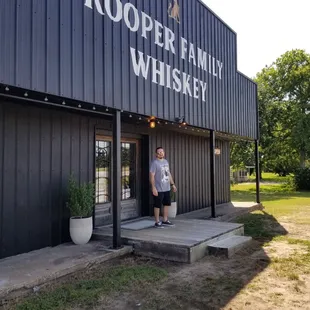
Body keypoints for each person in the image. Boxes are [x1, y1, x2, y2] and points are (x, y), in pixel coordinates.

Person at [149, 147, 177, 228]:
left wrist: (172, 184)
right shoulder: (155, 163)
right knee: (157, 205)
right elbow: (152, 176)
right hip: (158, 188)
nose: (161, 153)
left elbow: (168, 173)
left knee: (166, 204)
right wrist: (153, 188)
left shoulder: (166, 162)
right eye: (159, 152)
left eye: (162, 151)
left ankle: (165, 220)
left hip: (167, 188)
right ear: (156, 154)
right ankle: (157, 222)